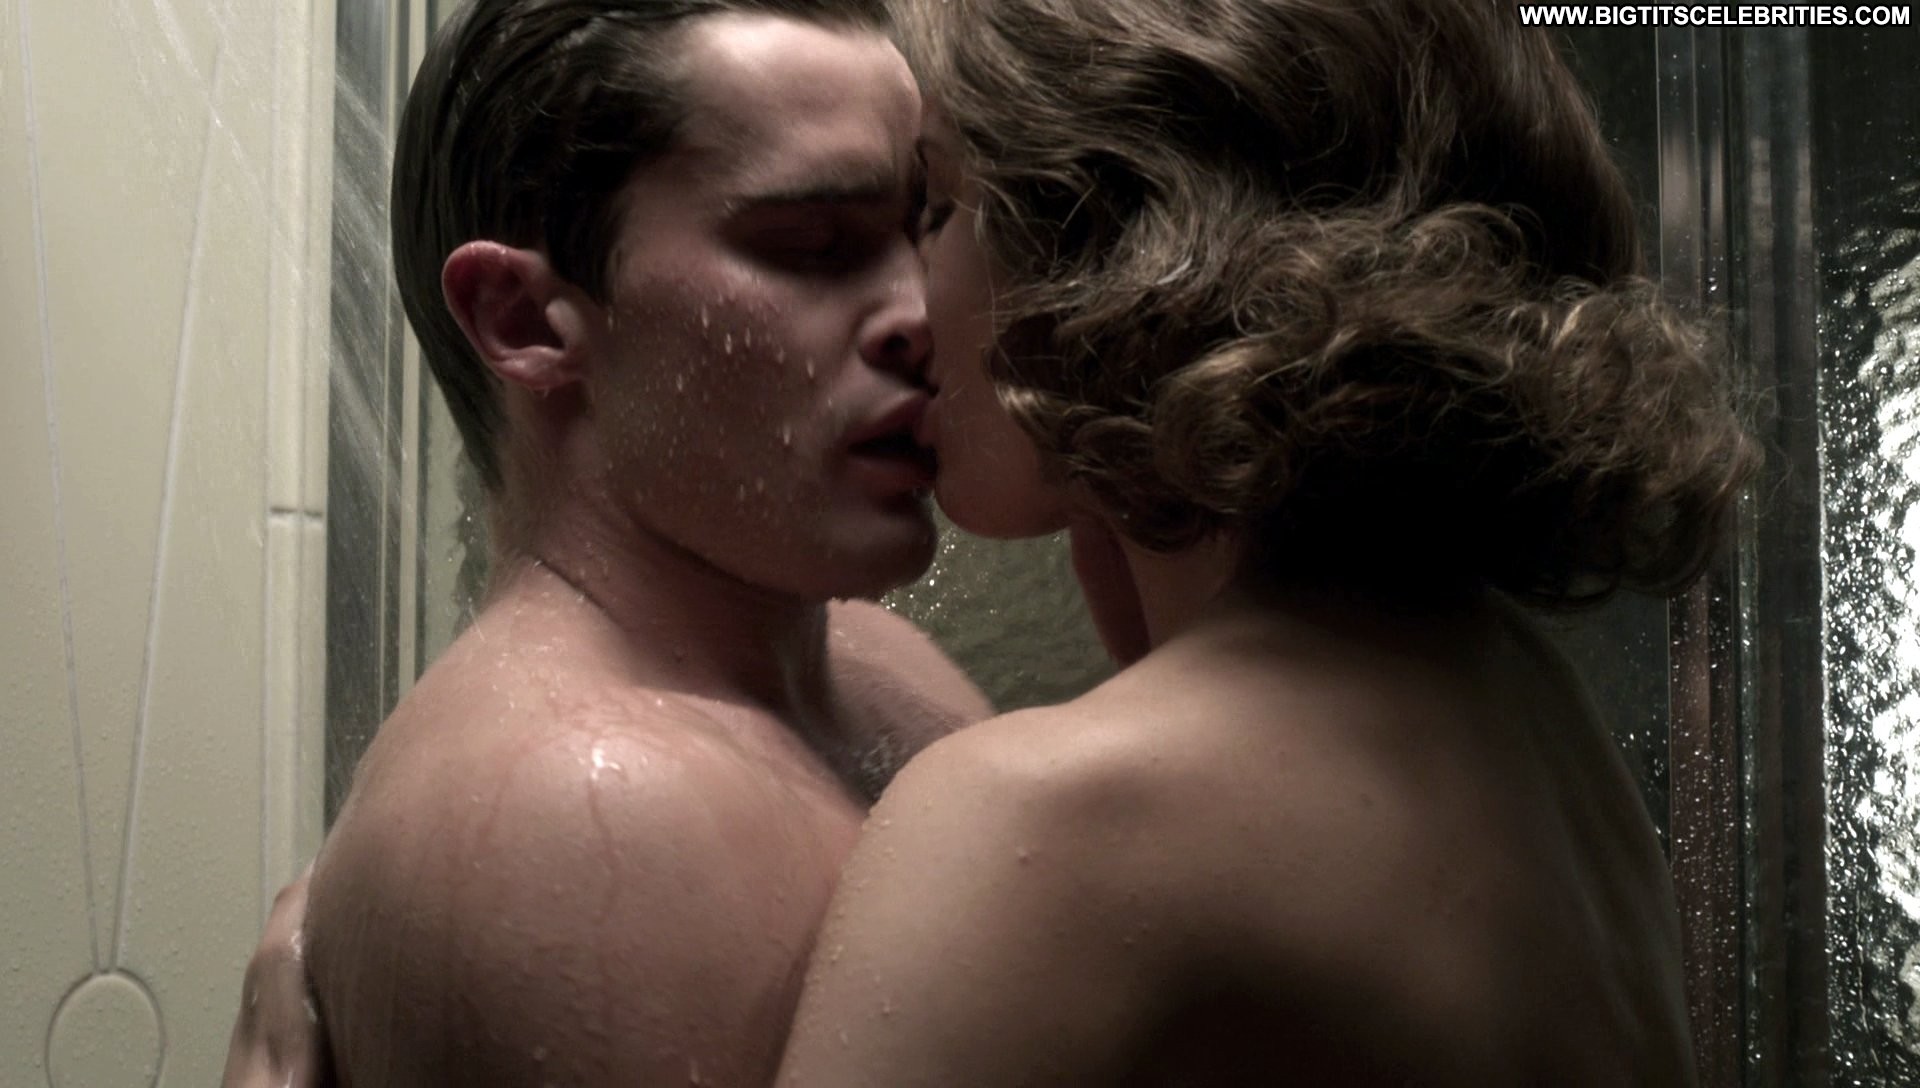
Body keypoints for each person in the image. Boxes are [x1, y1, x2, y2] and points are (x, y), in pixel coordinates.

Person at [772, 0, 1758, 1083]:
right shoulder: (1530, 714)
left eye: (939, 205)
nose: (909, 306)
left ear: (1113, 238)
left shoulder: (1051, 820)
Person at [225, 1, 996, 1085]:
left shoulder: (883, 666)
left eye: (925, 227)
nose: (922, 311)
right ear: (523, 319)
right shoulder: (587, 817)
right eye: (814, 247)